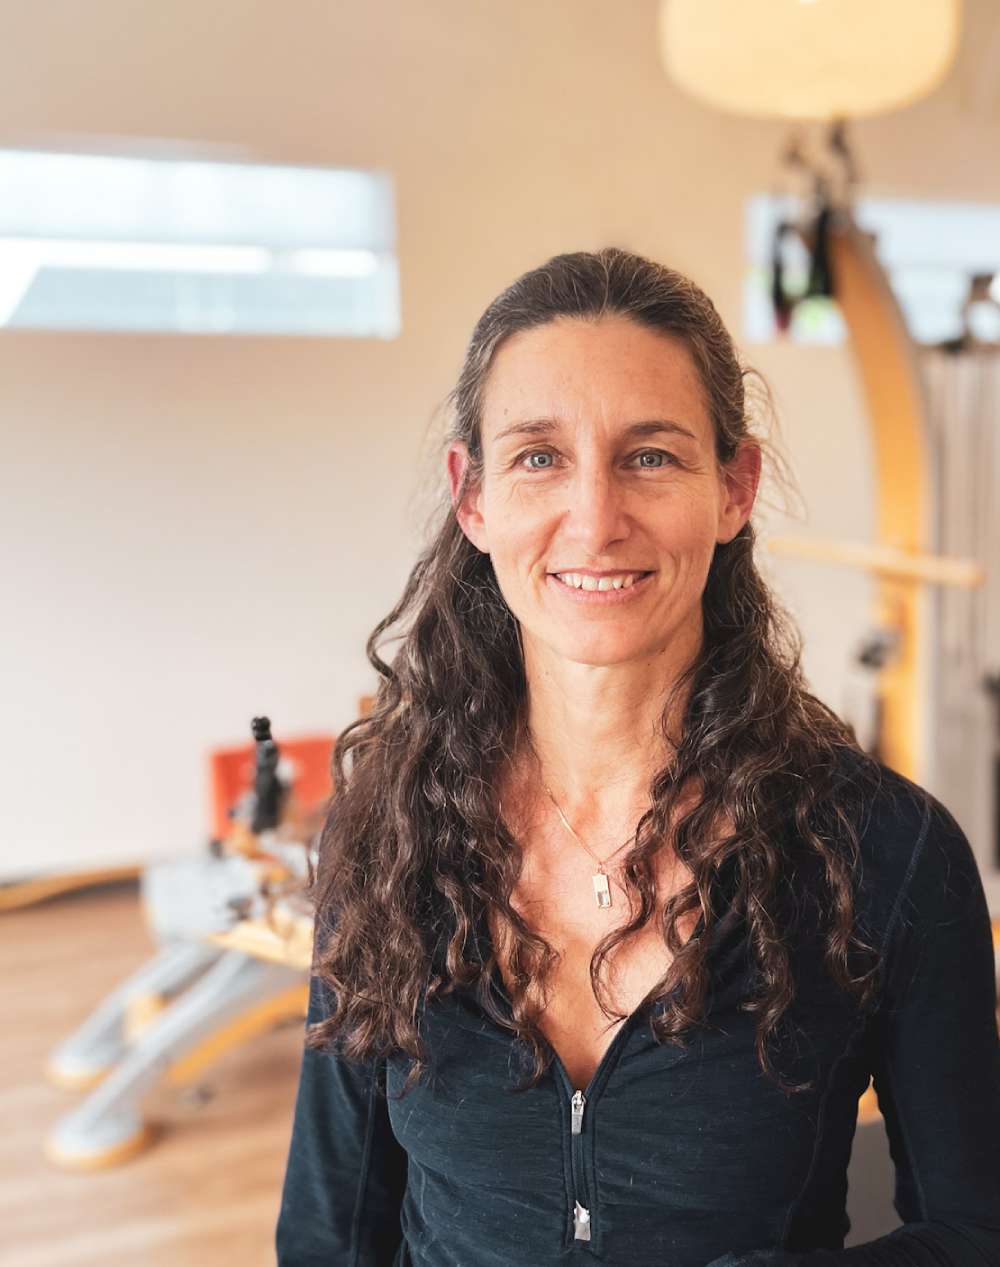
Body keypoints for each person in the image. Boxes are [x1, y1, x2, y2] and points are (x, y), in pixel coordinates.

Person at [275, 248, 1000, 1267]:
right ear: (471, 497)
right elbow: (327, 1235)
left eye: (650, 455)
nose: (596, 518)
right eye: (538, 456)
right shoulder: (386, 834)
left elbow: (973, 1232)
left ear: (733, 486)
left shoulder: (887, 849)